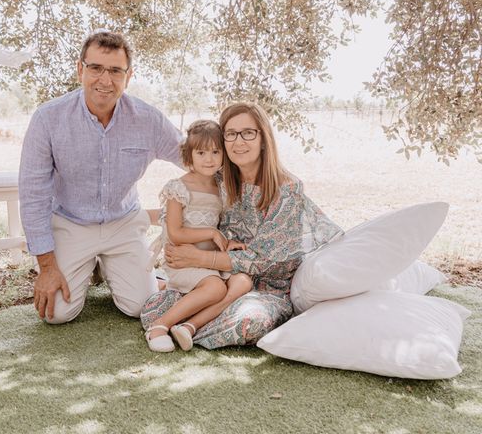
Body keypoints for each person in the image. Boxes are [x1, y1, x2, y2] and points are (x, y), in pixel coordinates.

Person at [141, 101, 343, 349]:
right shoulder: (219, 179)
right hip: (220, 276)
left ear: (263, 138)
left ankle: (188, 325)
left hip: (266, 285)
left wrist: (198, 258)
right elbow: (185, 211)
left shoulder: (287, 190)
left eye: (248, 133)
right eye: (231, 134)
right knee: (153, 306)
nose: (239, 142)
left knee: (248, 321)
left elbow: (264, 260)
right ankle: (176, 322)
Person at [19, 30, 183, 324]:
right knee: (56, 313)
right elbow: (33, 195)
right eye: (96, 68)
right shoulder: (48, 119)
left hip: (123, 223)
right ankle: (90, 264)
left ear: (128, 76)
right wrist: (46, 267)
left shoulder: (149, 120)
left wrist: (249, 170)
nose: (105, 80)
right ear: (81, 69)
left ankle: (117, 267)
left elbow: (193, 156)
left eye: (115, 71)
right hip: (71, 222)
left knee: (141, 307)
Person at [145, 120, 252, 352]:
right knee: (215, 288)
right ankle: (159, 326)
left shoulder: (220, 188)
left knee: (243, 281)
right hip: (182, 262)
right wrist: (211, 233)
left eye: (215, 152)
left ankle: (188, 327)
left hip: (208, 261)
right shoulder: (178, 188)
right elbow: (175, 233)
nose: (209, 159)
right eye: (201, 152)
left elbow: (220, 227)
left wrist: (226, 240)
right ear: (189, 155)